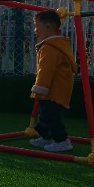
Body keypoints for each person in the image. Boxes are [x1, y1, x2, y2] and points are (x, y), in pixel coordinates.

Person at [29, 9, 77, 152]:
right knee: (45, 115)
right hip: (56, 89)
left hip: (52, 91)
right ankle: (46, 137)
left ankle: (62, 140)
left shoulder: (50, 47)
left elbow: (46, 70)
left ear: (48, 26)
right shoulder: (56, 44)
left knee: (50, 116)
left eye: (37, 26)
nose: (35, 30)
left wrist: (40, 87)